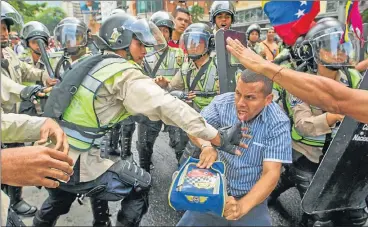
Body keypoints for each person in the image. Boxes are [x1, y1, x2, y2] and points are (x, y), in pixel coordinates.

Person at [33, 13, 246, 227]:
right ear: (121, 41)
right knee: (140, 185)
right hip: (77, 157)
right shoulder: (122, 72)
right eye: (138, 43)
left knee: (60, 199)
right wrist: (217, 137)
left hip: (54, 151)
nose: (145, 50)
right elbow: (166, 105)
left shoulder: (98, 62)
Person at [176, 69, 292, 226]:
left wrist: (242, 206)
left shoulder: (278, 123)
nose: (240, 103)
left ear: (268, 99)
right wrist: (206, 146)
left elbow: (271, 173)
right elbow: (194, 128)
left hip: (251, 196)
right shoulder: (222, 104)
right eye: (238, 93)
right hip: (213, 189)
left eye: (250, 97)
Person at [226, 33, 368, 124]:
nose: (339, 53)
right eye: (331, 48)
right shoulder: (299, 79)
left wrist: (264, 66)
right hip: (308, 153)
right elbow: (303, 124)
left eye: (342, 48)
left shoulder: (352, 75)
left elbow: (337, 100)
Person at [1, 1, 57, 218]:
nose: (3, 33)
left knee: (17, 155)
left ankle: (15, 201)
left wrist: (43, 76)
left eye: (4, 28)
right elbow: (5, 86)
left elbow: (24, 70)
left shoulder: (7, 53)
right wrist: (26, 91)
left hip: (11, 117)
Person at [155, 23, 219, 164]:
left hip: (217, 117)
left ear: (209, 44)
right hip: (195, 116)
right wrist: (165, 84)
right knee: (187, 158)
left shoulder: (218, 65)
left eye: (198, 42)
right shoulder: (185, 68)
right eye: (190, 42)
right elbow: (172, 88)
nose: (193, 45)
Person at [132, 10, 185, 171]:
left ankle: (183, 172)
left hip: (172, 102)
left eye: (165, 30)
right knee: (144, 145)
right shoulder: (142, 53)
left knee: (180, 142)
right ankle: (144, 175)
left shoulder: (179, 54)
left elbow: (184, 78)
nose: (161, 34)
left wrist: (169, 83)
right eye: (158, 30)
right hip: (150, 106)